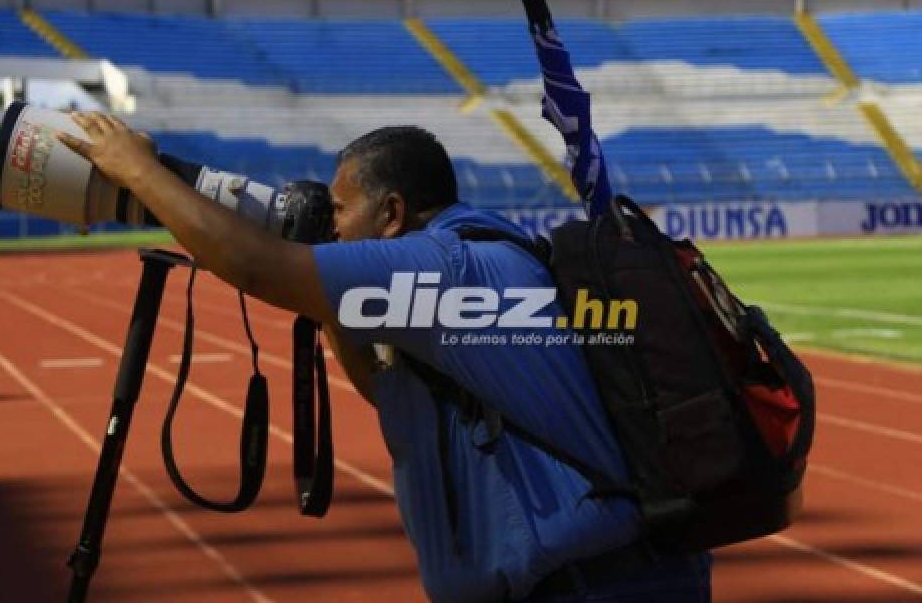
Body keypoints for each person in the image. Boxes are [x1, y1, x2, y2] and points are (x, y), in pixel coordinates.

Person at [57, 34, 712, 601]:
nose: (332, 227)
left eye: (341, 211)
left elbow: (257, 268)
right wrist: (331, 302)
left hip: (598, 588)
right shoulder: (470, 257)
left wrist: (138, 171)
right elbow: (395, 393)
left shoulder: (440, 266)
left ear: (392, 213)